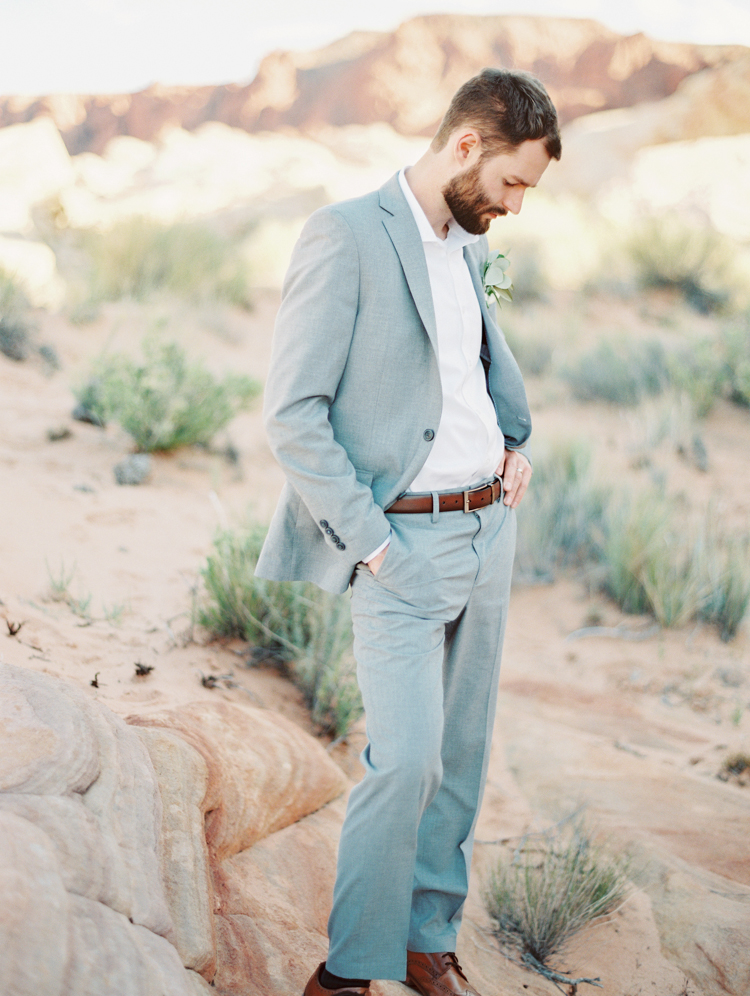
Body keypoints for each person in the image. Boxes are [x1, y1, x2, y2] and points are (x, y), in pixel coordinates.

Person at [256, 67, 561, 996]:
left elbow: (470, 375)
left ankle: (428, 941)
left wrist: (516, 445)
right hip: (400, 546)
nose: (515, 206)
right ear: (467, 147)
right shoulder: (344, 236)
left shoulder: (465, 245)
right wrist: (372, 544)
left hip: (487, 530)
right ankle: (348, 972)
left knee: (461, 761)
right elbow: (294, 414)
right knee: (407, 764)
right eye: (513, 182)